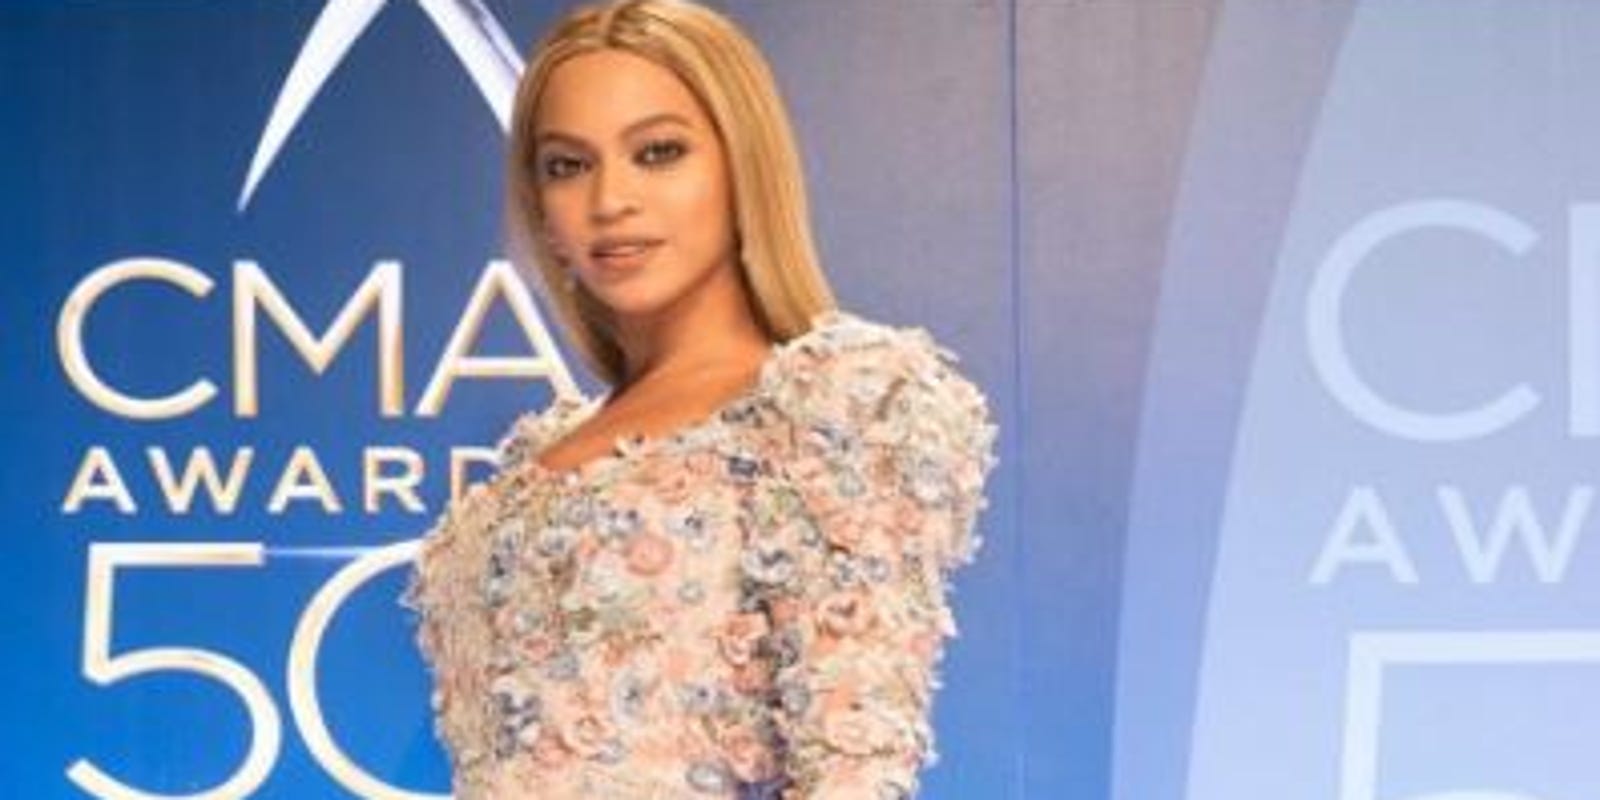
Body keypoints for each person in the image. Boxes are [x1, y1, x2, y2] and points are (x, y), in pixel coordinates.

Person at [402, 1, 998, 797]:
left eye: (658, 152)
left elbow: (855, 769)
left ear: (741, 166)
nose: (610, 200)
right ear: (540, 207)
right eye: (567, 165)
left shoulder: (835, 403)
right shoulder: (538, 453)